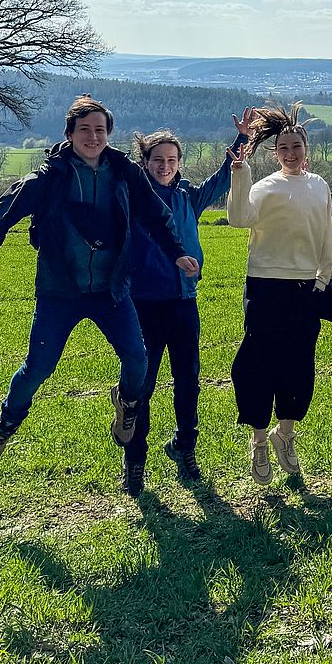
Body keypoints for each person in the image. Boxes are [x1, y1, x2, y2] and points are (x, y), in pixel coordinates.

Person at [0, 96, 199, 468]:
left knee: (137, 360)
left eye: (100, 130)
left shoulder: (124, 173)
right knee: (38, 367)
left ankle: (127, 403)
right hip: (60, 291)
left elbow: (157, 215)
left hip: (111, 290)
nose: (93, 137)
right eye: (85, 129)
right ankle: (6, 424)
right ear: (70, 133)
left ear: (109, 134)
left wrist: (176, 252)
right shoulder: (49, 178)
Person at [118, 111, 252, 495]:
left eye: (172, 160)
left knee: (188, 381)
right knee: (142, 386)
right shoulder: (132, 197)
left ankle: (185, 446)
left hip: (183, 302)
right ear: (145, 161)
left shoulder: (187, 197)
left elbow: (222, 178)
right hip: (142, 304)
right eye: (158, 160)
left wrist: (241, 140)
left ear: (179, 163)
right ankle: (135, 459)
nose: (165, 166)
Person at [227, 104, 332, 485]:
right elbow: (239, 218)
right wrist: (241, 173)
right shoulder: (265, 187)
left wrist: (323, 279)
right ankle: (258, 441)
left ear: (306, 149)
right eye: (283, 148)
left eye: (296, 147)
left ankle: (284, 435)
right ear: (275, 153)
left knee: (299, 366)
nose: (290, 153)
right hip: (265, 285)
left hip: (305, 287)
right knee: (259, 364)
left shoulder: (319, 186)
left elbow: (326, 235)